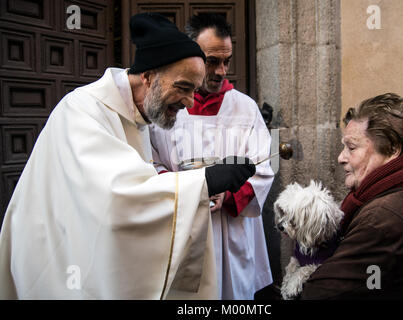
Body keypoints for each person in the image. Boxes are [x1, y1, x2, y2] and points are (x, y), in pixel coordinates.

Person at [0, 13, 256, 299]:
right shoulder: (81, 111)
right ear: (148, 76)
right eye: (183, 88)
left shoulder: (139, 116)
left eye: (194, 91)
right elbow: (114, 197)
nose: (188, 102)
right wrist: (205, 180)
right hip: (59, 261)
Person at [149, 14, 274, 299]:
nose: (221, 71)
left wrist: (228, 197)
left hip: (232, 230)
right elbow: (150, 165)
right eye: (211, 61)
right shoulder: (167, 109)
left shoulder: (245, 108)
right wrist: (186, 191)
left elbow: (264, 167)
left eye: (226, 61)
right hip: (183, 227)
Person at [300, 93, 403, 299]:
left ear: (392, 149)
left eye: (351, 147)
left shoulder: (381, 220)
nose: (341, 157)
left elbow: (317, 294)